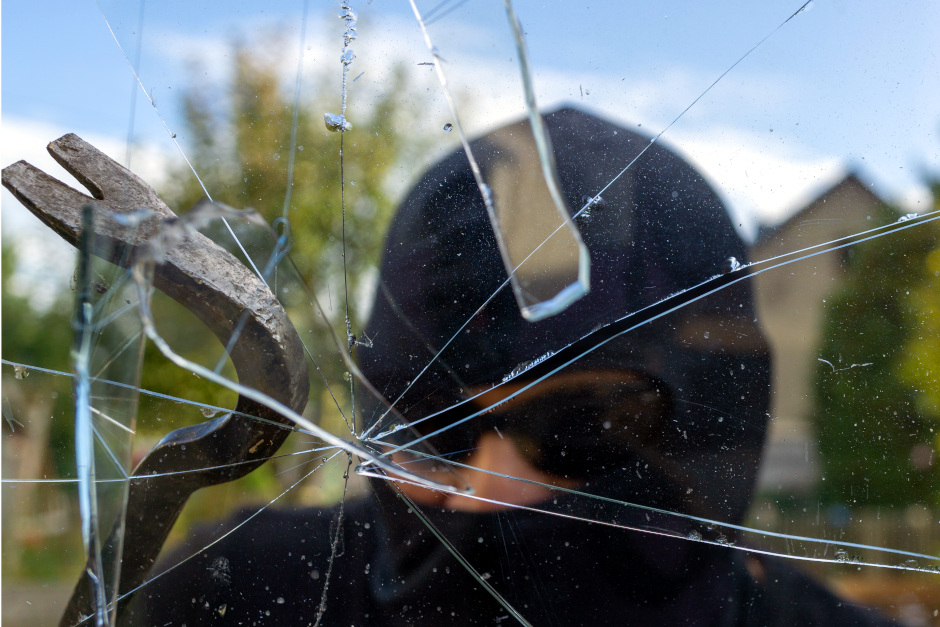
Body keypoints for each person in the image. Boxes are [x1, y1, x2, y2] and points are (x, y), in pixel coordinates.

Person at [128, 107, 893, 625]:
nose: (488, 495)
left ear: (716, 416)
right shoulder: (236, 596)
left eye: (579, 424)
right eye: (430, 428)